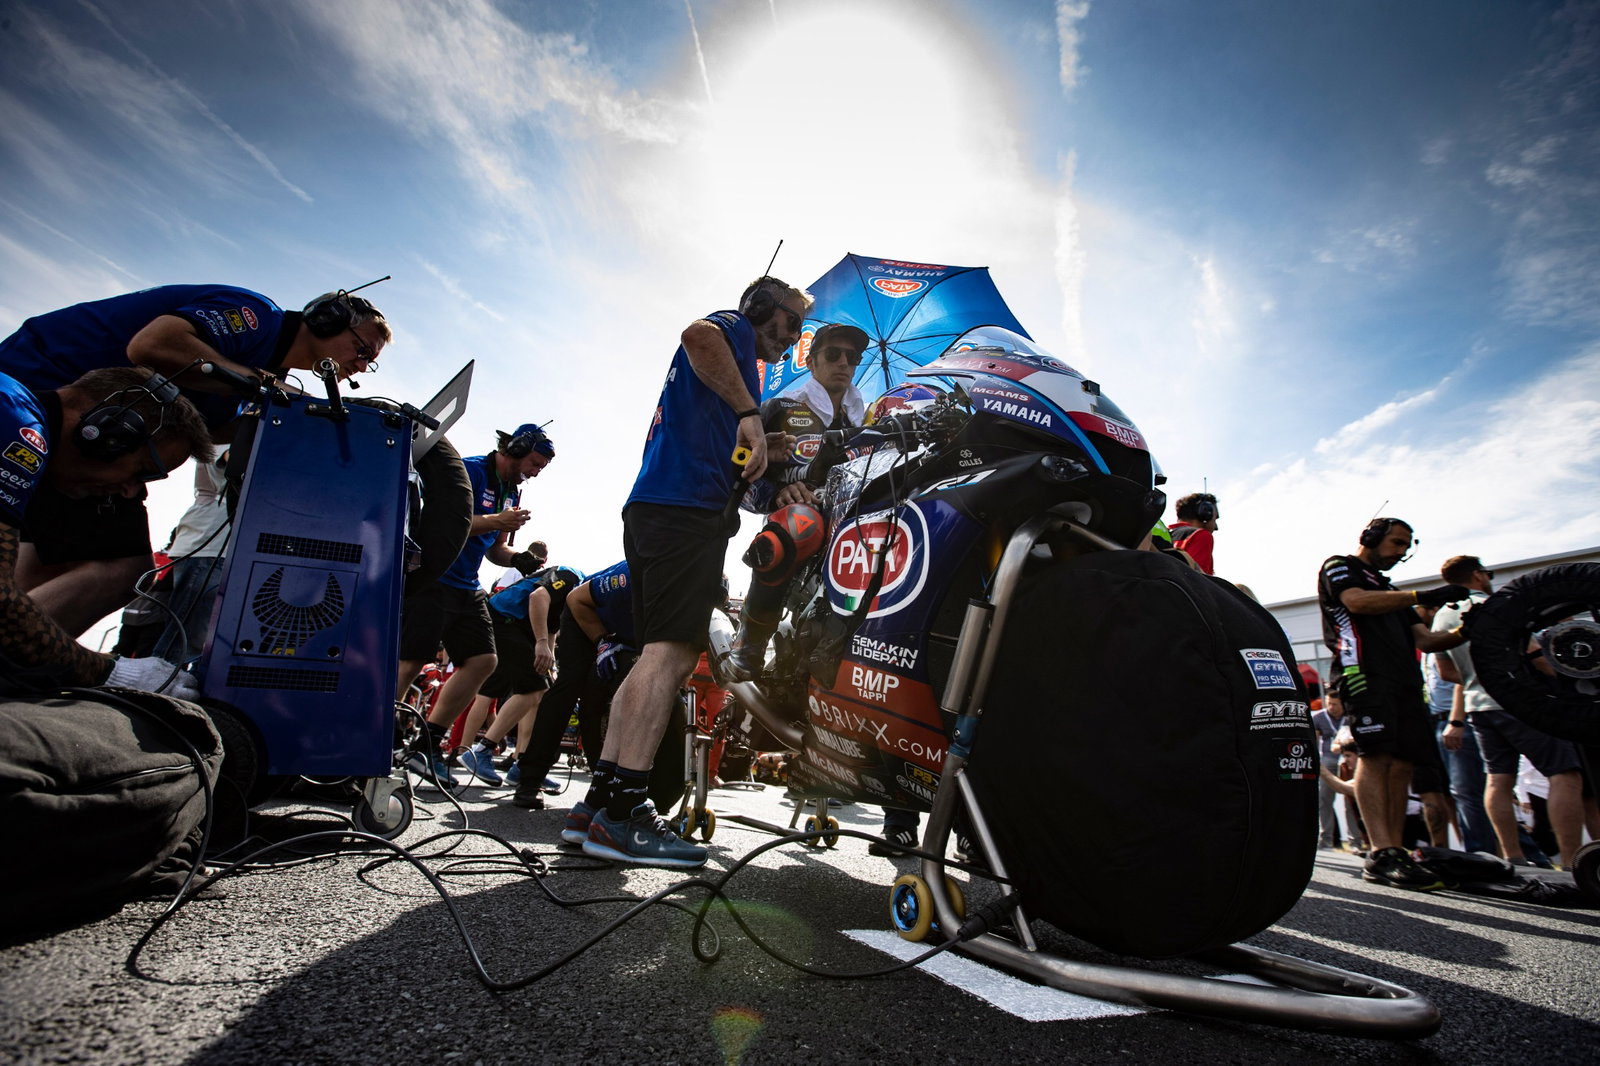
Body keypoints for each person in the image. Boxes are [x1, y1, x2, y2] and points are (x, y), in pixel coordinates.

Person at [573, 275, 811, 868]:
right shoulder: (732, 330)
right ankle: (626, 812)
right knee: (674, 656)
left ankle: (600, 802)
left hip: (659, 507)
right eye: (792, 322)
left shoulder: (738, 373)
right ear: (762, 307)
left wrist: (764, 440)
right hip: (684, 510)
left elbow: (716, 433)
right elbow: (696, 335)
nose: (793, 337)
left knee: (653, 655)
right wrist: (750, 414)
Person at [1, 287, 389, 635]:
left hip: (87, 435)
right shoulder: (256, 316)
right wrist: (269, 387)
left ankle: (23, 658)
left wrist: (300, 423)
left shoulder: (265, 367)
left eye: (370, 362)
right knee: (121, 567)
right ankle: (21, 658)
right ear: (326, 320)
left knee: (49, 564)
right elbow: (152, 344)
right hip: (38, 403)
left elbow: (209, 430)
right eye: (362, 350)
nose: (361, 365)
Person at [1, 366, 213, 691]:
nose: (130, 491)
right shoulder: (20, 431)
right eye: (142, 471)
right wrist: (111, 672)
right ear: (103, 430)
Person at [395, 424, 554, 786]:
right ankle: (381, 739)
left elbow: (496, 548)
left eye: (540, 469)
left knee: (484, 661)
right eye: (534, 463)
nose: (534, 473)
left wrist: (518, 559)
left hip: (467, 585)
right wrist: (497, 520)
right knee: (410, 662)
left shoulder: (511, 493)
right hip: (434, 577)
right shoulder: (468, 470)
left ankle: (426, 745)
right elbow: (445, 524)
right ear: (516, 448)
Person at [1316, 517, 1470, 889]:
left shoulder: (1392, 590)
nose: (1401, 552)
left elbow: (1427, 642)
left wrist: (1467, 629)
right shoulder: (1340, 566)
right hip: (1363, 673)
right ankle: (1380, 852)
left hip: (1405, 681)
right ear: (1370, 537)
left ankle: (1396, 851)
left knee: (1402, 764)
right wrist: (1422, 596)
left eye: (1406, 546)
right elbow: (1356, 602)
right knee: (1376, 756)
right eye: (1397, 542)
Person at [1431, 555, 1598, 868]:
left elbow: (1446, 672)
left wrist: (1479, 677)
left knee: (1498, 780)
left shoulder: (1442, 616)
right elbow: (1537, 656)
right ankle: (1573, 864)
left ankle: (1513, 858)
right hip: (1521, 702)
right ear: (1478, 575)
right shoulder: (1498, 606)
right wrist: (1562, 682)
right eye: (1487, 573)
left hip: (1478, 706)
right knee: (1564, 775)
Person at [723, 321, 868, 680]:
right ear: (811, 361)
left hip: (855, 524)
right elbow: (736, 471)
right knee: (799, 523)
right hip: (800, 527)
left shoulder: (871, 418)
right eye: (833, 354)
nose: (844, 363)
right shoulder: (779, 407)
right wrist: (774, 495)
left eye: (852, 357)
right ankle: (749, 644)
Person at [511, 561, 642, 812]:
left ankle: (604, 781)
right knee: (570, 685)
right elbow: (575, 599)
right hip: (584, 614)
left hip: (625, 633)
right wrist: (601, 641)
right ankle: (530, 777)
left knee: (599, 697)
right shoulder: (628, 574)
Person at [456, 554, 586, 788]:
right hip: (505, 620)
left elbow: (551, 627)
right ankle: (481, 751)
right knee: (532, 690)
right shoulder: (572, 576)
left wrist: (551, 664)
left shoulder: (571, 600)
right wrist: (541, 643)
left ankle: (523, 764)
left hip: (518, 628)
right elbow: (538, 597)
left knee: (541, 692)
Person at [1168, 493, 1220, 575]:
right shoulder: (1201, 535)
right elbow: (1197, 578)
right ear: (1206, 515)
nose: (1216, 527)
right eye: (1215, 519)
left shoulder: (1162, 534)